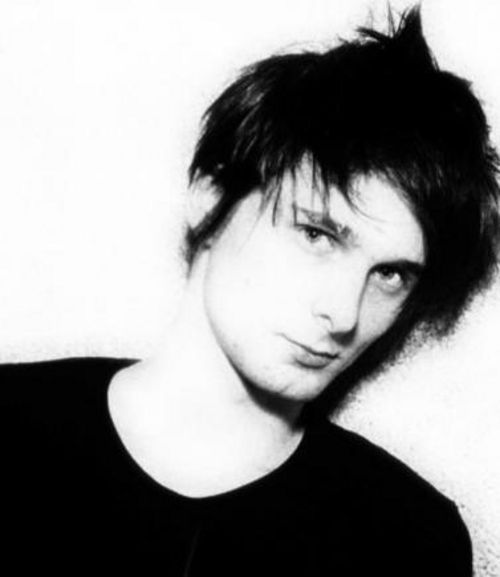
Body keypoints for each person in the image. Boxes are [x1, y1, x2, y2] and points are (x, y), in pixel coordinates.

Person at [1, 6, 497, 575]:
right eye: (316, 234)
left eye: (390, 274)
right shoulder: (13, 423)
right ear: (211, 198)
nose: (343, 313)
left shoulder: (408, 538)